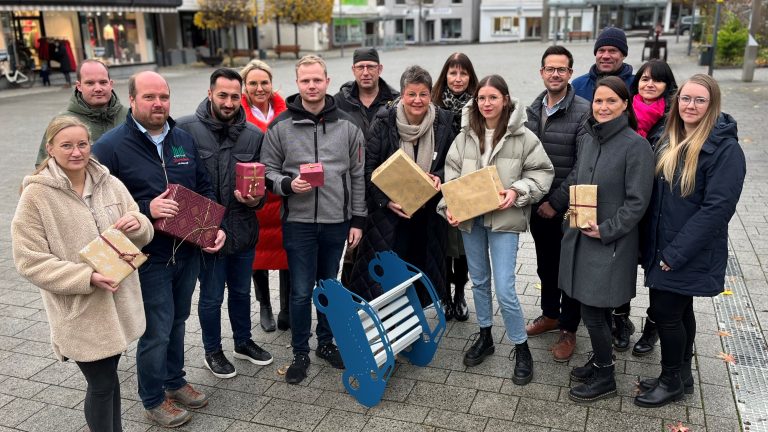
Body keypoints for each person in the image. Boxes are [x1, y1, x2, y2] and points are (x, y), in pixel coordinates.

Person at [92, 71, 225, 427]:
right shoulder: (110, 146)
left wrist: (214, 229)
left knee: (179, 320)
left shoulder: (182, 138)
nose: (158, 104)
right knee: (157, 328)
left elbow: (203, 186)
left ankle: (174, 379)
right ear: (132, 100)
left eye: (163, 97)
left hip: (188, 250)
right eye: (149, 97)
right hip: (149, 257)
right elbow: (97, 206)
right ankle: (153, 398)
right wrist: (145, 209)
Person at [12, 116, 154, 432]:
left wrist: (139, 225)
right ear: (49, 148)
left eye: (82, 144)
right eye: (66, 145)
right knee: (102, 384)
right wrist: (84, 277)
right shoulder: (36, 196)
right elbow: (28, 260)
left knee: (108, 380)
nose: (77, 152)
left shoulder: (110, 183)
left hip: (119, 304)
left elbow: (140, 223)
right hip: (81, 311)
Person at [635, 74, 746, 408]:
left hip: (685, 250)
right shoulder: (669, 137)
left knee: (665, 314)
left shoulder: (725, 148)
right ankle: (681, 375)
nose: (690, 105)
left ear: (712, 105)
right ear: (676, 101)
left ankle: (670, 380)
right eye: (685, 98)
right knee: (680, 312)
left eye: (700, 100)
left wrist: (676, 253)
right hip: (665, 245)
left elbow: (717, 209)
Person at [438, 74, 554, 385]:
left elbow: (542, 172)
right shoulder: (464, 136)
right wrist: (449, 207)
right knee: (478, 280)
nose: (486, 103)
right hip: (471, 221)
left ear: (505, 99)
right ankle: (486, 335)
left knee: (504, 287)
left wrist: (516, 191)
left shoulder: (523, 136)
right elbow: (451, 176)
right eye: (481, 98)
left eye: (493, 97)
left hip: (504, 221)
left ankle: (520, 346)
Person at [261, 55, 366, 385]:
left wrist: (358, 220)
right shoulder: (280, 126)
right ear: (297, 83)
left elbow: (359, 175)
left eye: (317, 80)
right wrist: (288, 185)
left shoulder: (349, 125)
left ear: (327, 81)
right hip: (299, 222)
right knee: (300, 290)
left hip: (337, 221)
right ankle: (300, 352)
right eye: (305, 80)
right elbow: (267, 171)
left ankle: (325, 343)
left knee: (329, 286)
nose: (311, 85)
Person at [560, 76, 655, 403]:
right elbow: (580, 185)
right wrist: (568, 219)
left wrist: (608, 229)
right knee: (589, 308)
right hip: (580, 236)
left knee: (594, 310)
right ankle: (602, 361)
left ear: (625, 105)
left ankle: (606, 375)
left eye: (611, 101)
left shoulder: (636, 146)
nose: (603, 107)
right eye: (598, 101)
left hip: (610, 242)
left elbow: (637, 202)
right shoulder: (589, 139)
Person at [175, 68, 273, 379]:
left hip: (243, 229)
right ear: (209, 94)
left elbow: (262, 185)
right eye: (222, 95)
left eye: (234, 96)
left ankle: (243, 342)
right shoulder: (184, 129)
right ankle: (212, 350)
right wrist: (200, 228)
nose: (229, 102)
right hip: (206, 232)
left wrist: (254, 200)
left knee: (242, 291)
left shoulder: (254, 135)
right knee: (212, 295)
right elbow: (177, 181)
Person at [349, 65, 453, 312]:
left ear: (430, 95)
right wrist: (385, 201)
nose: (417, 100)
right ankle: (388, 319)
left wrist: (440, 177)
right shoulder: (384, 121)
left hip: (428, 215)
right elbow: (368, 168)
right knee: (388, 275)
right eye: (411, 94)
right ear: (402, 94)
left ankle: (414, 320)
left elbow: (453, 163)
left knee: (421, 273)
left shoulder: (444, 122)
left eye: (423, 94)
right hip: (389, 217)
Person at [523, 45, 591, 362]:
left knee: (570, 270)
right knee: (545, 265)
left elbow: (584, 164)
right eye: (550, 68)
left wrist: (556, 201)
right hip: (539, 206)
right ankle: (549, 314)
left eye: (561, 69)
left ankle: (568, 328)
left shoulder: (583, 111)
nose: (555, 74)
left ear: (570, 73)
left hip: (568, 207)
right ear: (541, 72)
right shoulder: (534, 109)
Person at [334, 47, 400, 289]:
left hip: (384, 184)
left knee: (382, 246)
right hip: (351, 186)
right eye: (360, 67)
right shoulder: (339, 102)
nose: (365, 72)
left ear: (379, 69)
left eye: (370, 67)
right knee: (353, 247)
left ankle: (381, 297)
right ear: (353, 70)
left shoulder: (395, 100)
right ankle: (349, 296)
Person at [627, 59, 678, 356]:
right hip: (629, 203)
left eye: (656, 80)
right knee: (622, 264)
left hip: (658, 207)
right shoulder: (625, 110)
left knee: (656, 273)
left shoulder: (673, 119)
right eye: (644, 79)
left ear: (666, 85)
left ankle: (653, 326)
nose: (649, 84)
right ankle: (620, 320)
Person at [241, 59, 291, 332]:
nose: (259, 88)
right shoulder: (238, 112)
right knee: (257, 255)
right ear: (245, 87)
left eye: (264, 83)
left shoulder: (285, 111)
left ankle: (287, 307)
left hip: (282, 192)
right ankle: (265, 305)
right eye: (253, 83)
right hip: (254, 194)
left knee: (286, 252)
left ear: (272, 84)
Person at [431, 52, 479, 321]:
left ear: (470, 76)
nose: (458, 78)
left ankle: (460, 292)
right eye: (453, 73)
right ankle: (444, 296)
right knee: (441, 245)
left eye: (463, 73)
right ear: (445, 76)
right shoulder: (435, 105)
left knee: (460, 245)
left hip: (466, 184)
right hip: (438, 182)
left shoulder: (479, 105)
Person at [35, 59, 129, 167]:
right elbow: (43, 166)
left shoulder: (130, 117)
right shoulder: (62, 122)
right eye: (90, 83)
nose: (98, 88)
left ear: (111, 84)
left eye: (103, 82)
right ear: (79, 86)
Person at [572, 27, 634, 102]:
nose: (605, 56)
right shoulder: (578, 85)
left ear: (623, 55)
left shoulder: (637, 85)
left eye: (612, 51)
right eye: (601, 50)